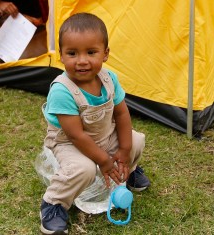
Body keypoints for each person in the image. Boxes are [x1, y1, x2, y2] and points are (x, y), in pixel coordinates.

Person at [39, 13, 150, 235]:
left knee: (136, 140)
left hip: (104, 136)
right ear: (61, 55)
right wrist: (103, 161)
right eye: (72, 53)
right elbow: (76, 136)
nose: (81, 60)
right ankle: (53, 204)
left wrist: (124, 150)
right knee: (85, 169)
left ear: (105, 54)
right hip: (68, 143)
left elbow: (121, 114)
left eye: (91, 52)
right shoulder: (62, 90)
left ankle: (129, 170)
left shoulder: (109, 79)